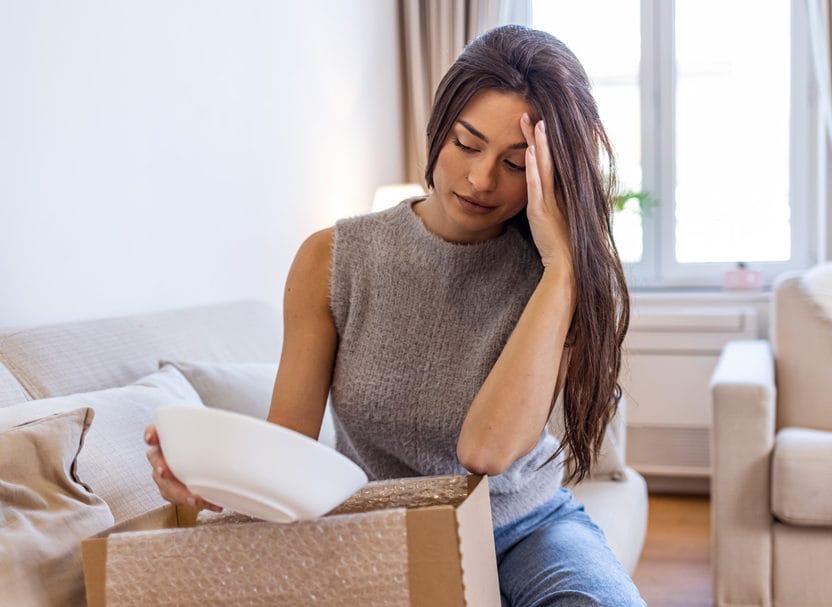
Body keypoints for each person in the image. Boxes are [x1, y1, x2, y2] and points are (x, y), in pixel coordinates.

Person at [145, 24, 643, 606]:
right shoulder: (330, 261)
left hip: (524, 530)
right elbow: (284, 458)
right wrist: (202, 483)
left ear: (549, 176)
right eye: (466, 143)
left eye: (515, 164)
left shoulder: (555, 277)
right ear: (439, 128)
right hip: (374, 535)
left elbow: (486, 452)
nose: (481, 180)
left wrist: (562, 267)